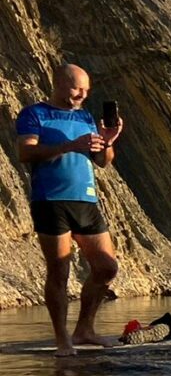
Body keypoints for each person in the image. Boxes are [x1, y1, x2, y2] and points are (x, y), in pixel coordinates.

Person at [16, 63, 125, 357]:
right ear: (60, 84)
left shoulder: (87, 117)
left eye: (86, 90)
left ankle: (84, 329)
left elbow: (103, 162)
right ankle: (62, 338)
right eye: (78, 88)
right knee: (59, 270)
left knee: (106, 268)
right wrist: (70, 145)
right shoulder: (34, 114)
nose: (82, 95)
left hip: (86, 200)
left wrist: (109, 141)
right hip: (50, 200)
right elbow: (26, 152)